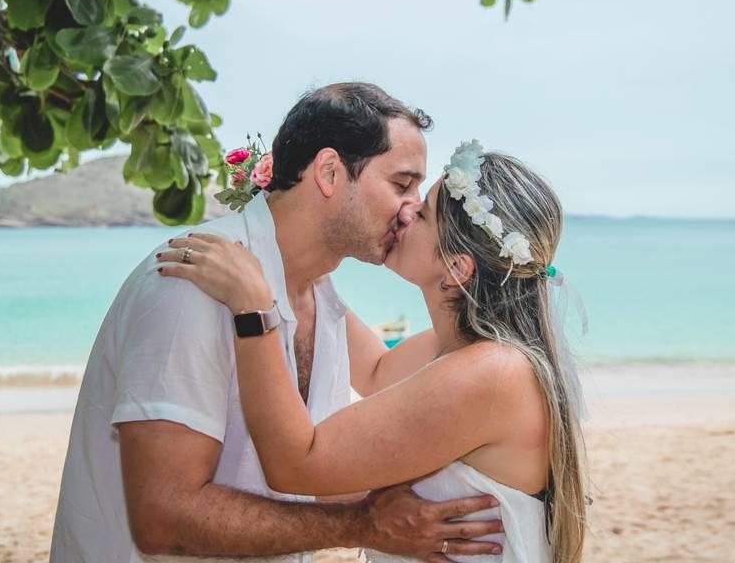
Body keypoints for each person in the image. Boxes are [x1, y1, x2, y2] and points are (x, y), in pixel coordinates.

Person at [50, 84, 505, 563]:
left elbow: (371, 388)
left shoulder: (319, 294)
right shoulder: (191, 282)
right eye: (401, 184)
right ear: (330, 172)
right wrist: (364, 525)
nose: (413, 207)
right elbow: (162, 518)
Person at [157, 142, 588, 563]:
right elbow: (378, 370)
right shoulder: (470, 352)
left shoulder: (490, 372)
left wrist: (253, 310)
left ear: (456, 268)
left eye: (423, 214)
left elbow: (297, 465)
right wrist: (291, 242)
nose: (405, 211)